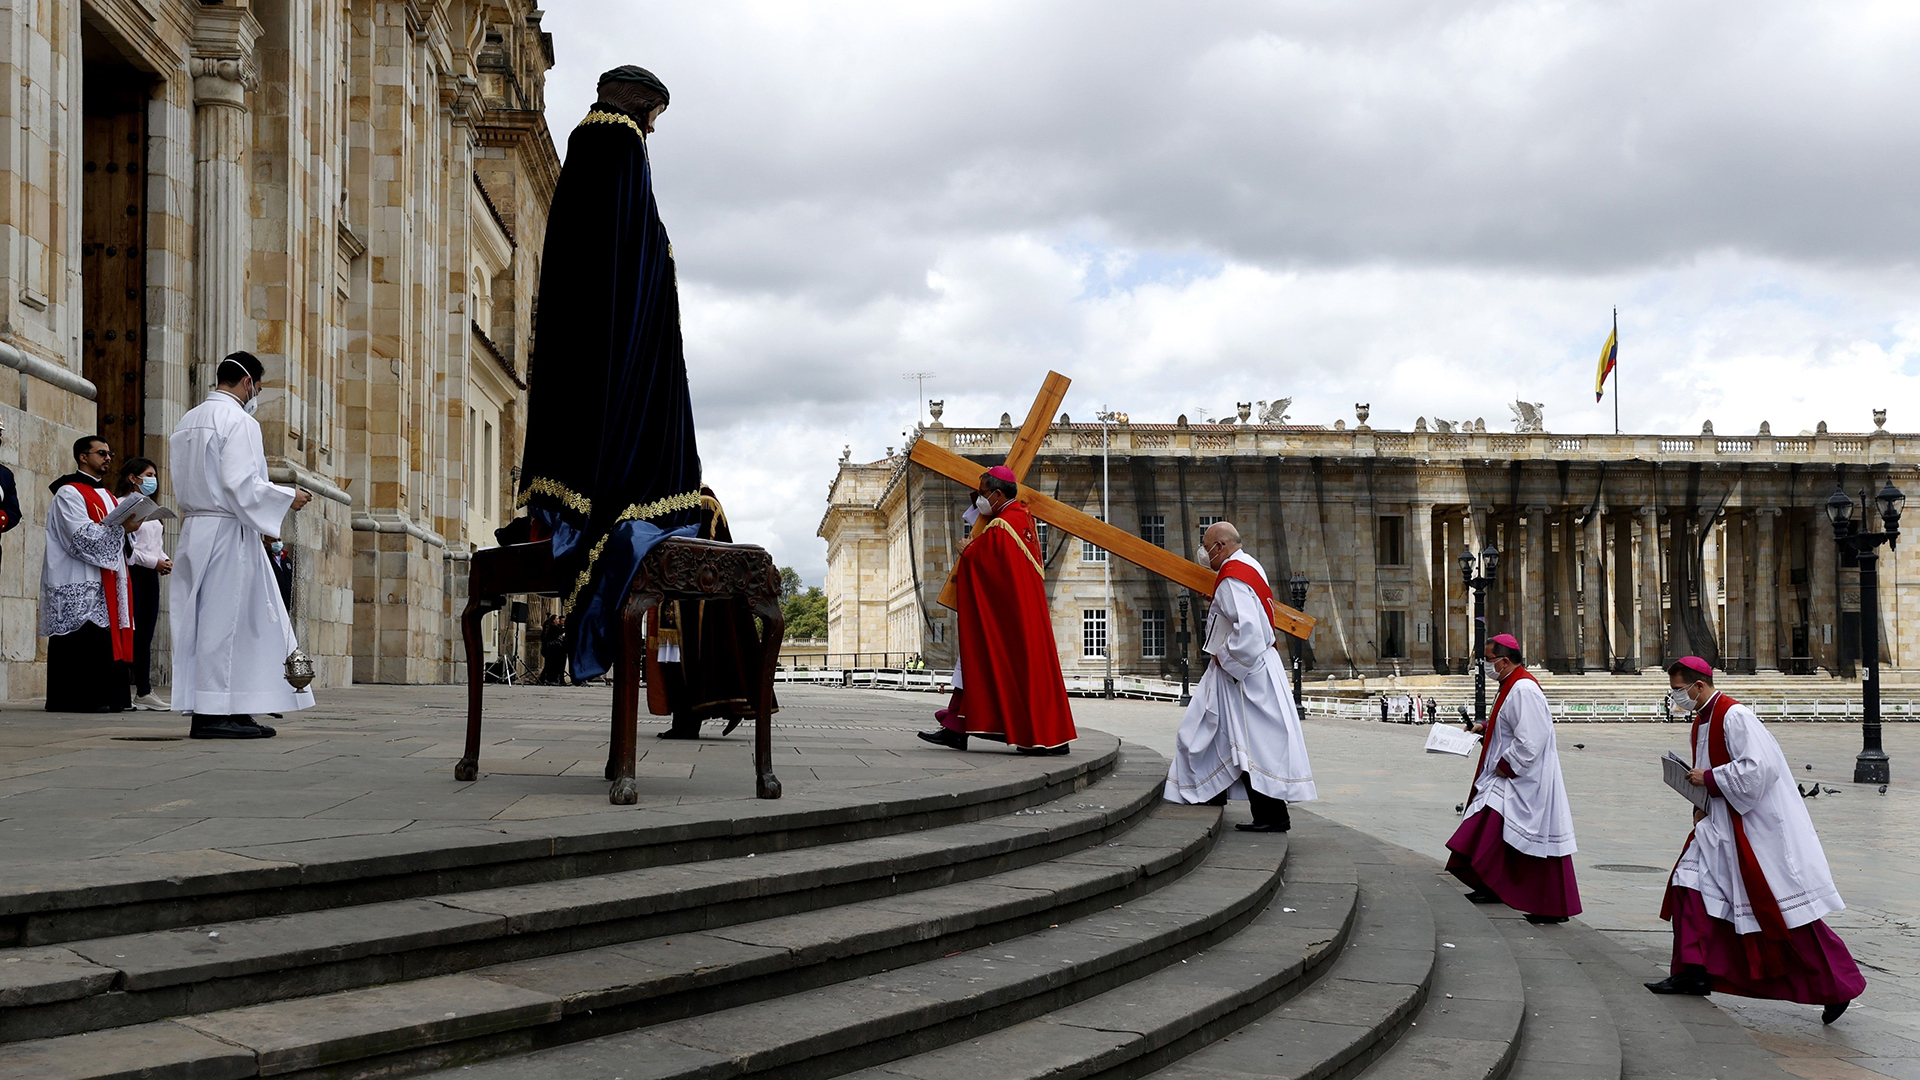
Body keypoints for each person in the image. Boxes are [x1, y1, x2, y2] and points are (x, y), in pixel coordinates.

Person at [513, 64, 703, 686]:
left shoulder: (584, 146)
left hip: (585, 350)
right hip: (622, 357)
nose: (654, 129)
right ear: (643, 106)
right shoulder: (620, 146)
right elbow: (638, 252)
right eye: (656, 116)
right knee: (649, 486)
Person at [1646, 656, 1864, 1023]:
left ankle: (1837, 983)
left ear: (1699, 686)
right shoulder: (1703, 718)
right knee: (1688, 885)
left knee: (1779, 913)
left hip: (1753, 831)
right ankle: (1692, 971)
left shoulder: (1734, 716)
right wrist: (1701, 796)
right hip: (1719, 825)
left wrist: (1711, 780)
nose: (1676, 697)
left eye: (1678, 689)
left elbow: (1759, 769)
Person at [169, 352, 315, 739]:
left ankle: (231, 705)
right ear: (248, 382)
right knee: (228, 622)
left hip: (196, 529)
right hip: (227, 532)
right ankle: (215, 714)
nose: (257, 394)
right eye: (259, 387)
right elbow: (240, 484)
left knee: (206, 623)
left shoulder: (188, 419)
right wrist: (287, 497)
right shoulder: (239, 421)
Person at [1163, 521, 1316, 832]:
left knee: (1246, 741)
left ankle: (1268, 814)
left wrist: (1224, 658)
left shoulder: (1233, 577)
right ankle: (1211, 791)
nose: (1203, 555)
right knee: (1224, 735)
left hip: (1244, 672)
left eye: (1206, 548)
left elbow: (1249, 632)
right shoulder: (1249, 565)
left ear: (1221, 546)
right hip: (1252, 668)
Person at [918, 466, 1075, 755]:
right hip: (1019, 617)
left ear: (998, 493)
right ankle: (956, 727)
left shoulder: (1003, 527)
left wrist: (967, 551)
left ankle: (1038, 737)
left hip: (1009, 622)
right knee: (972, 664)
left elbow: (986, 563)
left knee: (985, 663)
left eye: (983, 494)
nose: (979, 499)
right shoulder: (1020, 517)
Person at [1444, 633, 1581, 924]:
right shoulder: (1512, 684)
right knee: (1490, 828)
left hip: (1522, 778)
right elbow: (1510, 725)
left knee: (1491, 826)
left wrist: (1509, 765)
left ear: (1505, 661)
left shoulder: (1523, 689)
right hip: (1510, 776)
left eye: (1490, 661)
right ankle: (1490, 884)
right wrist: (1485, 728)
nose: (1486, 667)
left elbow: (1531, 737)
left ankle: (1544, 902)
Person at [653, 487, 766, 738]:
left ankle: (688, 723)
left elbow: (699, 549)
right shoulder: (681, 499)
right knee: (675, 662)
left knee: (690, 662)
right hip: (678, 594)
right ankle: (683, 721)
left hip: (693, 597)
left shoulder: (703, 501)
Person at [40, 436, 137, 712]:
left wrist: (128, 530)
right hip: (78, 578)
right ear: (83, 457)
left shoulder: (107, 495)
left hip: (105, 576)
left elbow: (115, 534)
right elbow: (79, 535)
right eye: (101, 453)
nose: (108, 458)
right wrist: (122, 530)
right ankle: (75, 698)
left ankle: (110, 697)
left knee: (102, 639)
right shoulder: (68, 493)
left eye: (110, 453)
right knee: (80, 639)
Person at [117, 457, 173, 710]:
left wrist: (164, 560)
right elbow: (128, 548)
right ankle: (124, 688)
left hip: (150, 575)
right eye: (147, 474)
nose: (152, 479)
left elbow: (154, 545)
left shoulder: (151, 508)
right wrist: (154, 562)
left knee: (146, 633)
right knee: (132, 630)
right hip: (133, 574)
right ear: (133, 477)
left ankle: (144, 690)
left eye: (154, 474)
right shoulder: (122, 505)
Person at [539, 614, 568, 685]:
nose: (559, 620)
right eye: (557, 619)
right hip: (555, 649)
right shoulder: (554, 628)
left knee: (551, 664)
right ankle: (551, 679)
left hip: (554, 649)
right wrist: (562, 635)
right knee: (552, 665)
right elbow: (558, 637)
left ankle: (547, 679)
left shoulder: (553, 628)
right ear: (554, 620)